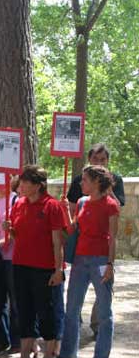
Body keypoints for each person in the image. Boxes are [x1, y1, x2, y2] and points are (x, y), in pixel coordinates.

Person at [55, 166, 119, 358]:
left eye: (84, 180)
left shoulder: (111, 205)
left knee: (104, 311)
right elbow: (72, 229)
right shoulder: (82, 203)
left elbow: (113, 238)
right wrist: (65, 211)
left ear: (96, 182)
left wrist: (110, 264)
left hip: (101, 260)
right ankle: (67, 354)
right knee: (71, 308)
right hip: (81, 260)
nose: (81, 183)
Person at [4, 165, 66, 358]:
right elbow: (18, 236)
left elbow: (58, 241)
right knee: (24, 310)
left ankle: (48, 356)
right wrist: (9, 230)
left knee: (45, 311)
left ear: (38, 185)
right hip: (20, 265)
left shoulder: (52, 206)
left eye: (25, 182)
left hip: (44, 267)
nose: (20, 185)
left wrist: (58, 270)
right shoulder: (19, 204)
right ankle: (25, 356)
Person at [66, 143, 125, 338]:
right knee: (73, 300)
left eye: (103, 160)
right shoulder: (79, 181)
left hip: (102, 250)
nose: (99, 163)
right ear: (89, 160)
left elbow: (117, 207)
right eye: (95, 159)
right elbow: (73, 210)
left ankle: (97, 324)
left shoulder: (115, 180)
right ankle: (71, 341)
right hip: (82, 246)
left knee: (103, 297)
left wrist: (106, 189)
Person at [0, 176, 21, 353]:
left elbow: (19, 230)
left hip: (13, 257)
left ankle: (17, 341)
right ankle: (1, 339)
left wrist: (3, 240)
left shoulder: (16, 200)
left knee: (15, 300)